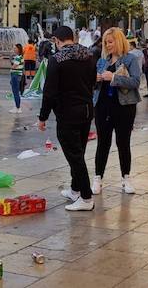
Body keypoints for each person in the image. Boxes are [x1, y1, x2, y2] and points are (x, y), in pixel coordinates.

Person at [38, 26, 97, 211]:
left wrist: (43, 116)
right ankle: (75, 189)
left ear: (57, 40)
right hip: (86, 111)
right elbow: (93, 82)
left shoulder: (57, 60)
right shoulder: (88, 56)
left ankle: (86, 198)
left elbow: (49, 92)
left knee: (74, 156)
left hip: (67, 114)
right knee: (78, 152)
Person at [93, 27, 142, 195]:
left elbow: (135, 82)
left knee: (123, 142)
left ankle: (126, 178)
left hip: (124, 107)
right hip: (102, 106)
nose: (108, 45)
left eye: (111, 42)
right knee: (103, 143)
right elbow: (94, 83)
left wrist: (113, 77)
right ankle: (98, 178)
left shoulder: (130, 59)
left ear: (119, 41)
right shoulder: (102, 61)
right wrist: (96, 78)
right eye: (106, 42)